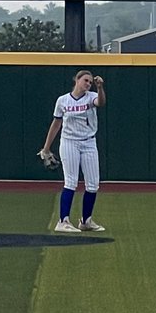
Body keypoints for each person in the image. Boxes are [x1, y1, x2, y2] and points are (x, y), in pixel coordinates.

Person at [40, 69, 106, 234]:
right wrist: (46, 148)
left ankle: (86, 221)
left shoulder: (91, 96)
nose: (88, 84)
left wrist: (99, 88)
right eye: (85, 80)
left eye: (90, 82)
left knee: (93, 184)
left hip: (89, 142)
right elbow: (56, 124)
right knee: (71, 181)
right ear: (77, 80)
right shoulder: (63, 100)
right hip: (69, 142)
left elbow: (101, 102)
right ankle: (63, 221)